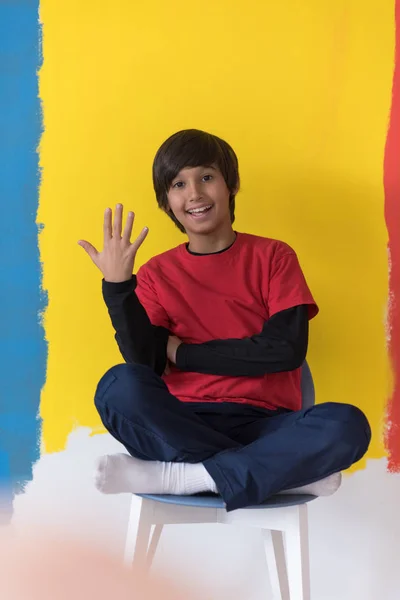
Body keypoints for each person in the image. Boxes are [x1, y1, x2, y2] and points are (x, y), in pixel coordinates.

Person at [79, 129, 371, 512]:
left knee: (346, 424)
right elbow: (146, 364)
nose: (195, 194)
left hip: (267, 425)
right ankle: (277, 475)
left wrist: (183, 355)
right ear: (167, 202)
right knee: (117, 385)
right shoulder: (155, 275)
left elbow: (284, 351)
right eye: (179, 184)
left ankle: (183, 477)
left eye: (206, 177)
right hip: (181, 422)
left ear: (230, 185)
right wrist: (118, 289)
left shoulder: (274, 257)